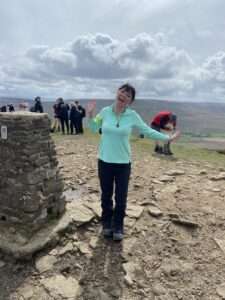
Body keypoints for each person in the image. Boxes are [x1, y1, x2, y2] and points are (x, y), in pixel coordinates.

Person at [87, 83, 180, 241]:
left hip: (123, 163)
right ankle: (107, 224)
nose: (124, 95)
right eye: (122, 92)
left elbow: (147, 130)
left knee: (121, 197)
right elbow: (94, 128)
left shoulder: (132, 115)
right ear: (117, 93)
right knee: (106, 195)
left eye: (128, 95)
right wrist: (90, 115)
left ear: (130, 101)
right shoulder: (104, 112)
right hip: (104, 161)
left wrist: (167, 138)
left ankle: (118, 226)